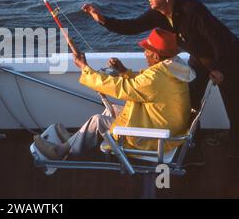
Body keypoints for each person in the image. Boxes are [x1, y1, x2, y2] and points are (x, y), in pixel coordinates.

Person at [82, 0, 239, 158]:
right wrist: (102, 19)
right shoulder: (157, 14)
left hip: (227, 56)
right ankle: (191, 147)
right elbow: (131, 27)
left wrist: (219, 68)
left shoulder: (191, 9)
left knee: (234, 102)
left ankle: (235, 144)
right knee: (191, 101)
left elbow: (219, 38)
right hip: (200, 57)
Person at [34, 28, 196, 160]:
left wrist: (85, 69)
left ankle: (61, 151)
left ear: (156, 55)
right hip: (168, 126)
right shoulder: (172, 68)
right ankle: (75, 139)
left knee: (97, 120)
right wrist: (124, 71)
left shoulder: (156, 77)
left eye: (147, 50)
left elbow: (123, 89)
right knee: (110, 111)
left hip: (157, 138)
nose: (145, 53)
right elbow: (144, 84)